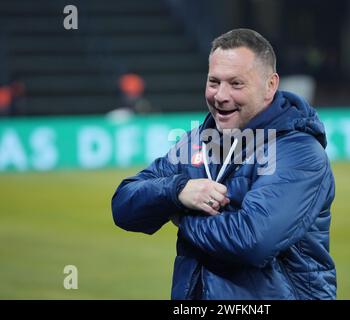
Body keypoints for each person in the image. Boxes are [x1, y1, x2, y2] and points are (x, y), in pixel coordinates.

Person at [112, 28, 336, 300]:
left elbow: (253, 241)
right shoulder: (196, 143)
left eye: (236, 83)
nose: (220, 95)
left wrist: (182, 217)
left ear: (270, 85)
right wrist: (177, 191)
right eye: (214, 82)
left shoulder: (298, 151)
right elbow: (124, 205)